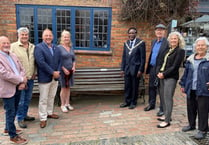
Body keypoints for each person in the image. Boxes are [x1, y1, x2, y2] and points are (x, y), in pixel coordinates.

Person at [179, 37, 209, 139]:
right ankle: (191, 125)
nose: (200, 47)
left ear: (207, 47)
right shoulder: (190, 59)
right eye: (198, 45)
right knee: (191, 108)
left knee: (202, 110)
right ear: (195, 47)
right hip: (191, 88)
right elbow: (186, 73)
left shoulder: (208, 59)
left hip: (204, 89)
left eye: (202, 45)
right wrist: (183, 84)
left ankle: (203, 129)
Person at [0, 36, 28, 144]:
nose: (6, 45)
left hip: (18, 87)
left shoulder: (12, 55)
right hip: (7, 89)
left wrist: (22, 82)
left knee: (14, 109)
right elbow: (4, 74)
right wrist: (21, 79)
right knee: (11, 111)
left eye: (8, 42)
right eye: (3, 43)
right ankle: (13, 136)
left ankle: (8, 128)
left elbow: (21, 68)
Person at [156, 31, 185, 128]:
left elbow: (175, 66)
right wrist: (158, 72)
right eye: (172, 39)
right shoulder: (167, 50)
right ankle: (166, 115)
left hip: (170, 77)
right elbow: (159, 61)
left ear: (178, 40)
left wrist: (164, 74)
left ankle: (167, 121)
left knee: (168, 98)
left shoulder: (180, 51)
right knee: (163, 97)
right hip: (161, 76)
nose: (173, 40)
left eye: (175, 39)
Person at [34, 28, 61, 128]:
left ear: (53, 37)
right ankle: (43, 118)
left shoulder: (56, 48)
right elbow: (41, 63)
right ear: (42, 37)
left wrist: (58, 72)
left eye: (50, 35)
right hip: (45, 78)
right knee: (43, 99)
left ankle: (49, 113)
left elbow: (60, 61)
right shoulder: (38, 48)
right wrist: (52, 72)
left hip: (55, 77)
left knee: (52, 96)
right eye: (46, 35)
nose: (48, 37)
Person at [11, 27, 36, 128]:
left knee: (27, 98)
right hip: (20, 80)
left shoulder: (32, 46)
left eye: (26, 35)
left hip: (30, 78)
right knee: (20, 100)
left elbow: (34, 62)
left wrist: (34, 72)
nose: (25, 36)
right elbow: (11, 64)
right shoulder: (13, 47)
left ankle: (25, 115)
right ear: (18, 35)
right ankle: (20, 118)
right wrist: (19, 78)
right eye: (22, 34)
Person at [144, 24, 169, 117]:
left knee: (161, 89)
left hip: (161, 68)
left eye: (161, 30)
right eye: (157, 30)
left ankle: (162, 108)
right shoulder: (154, 41)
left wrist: (163, 70)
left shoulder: (167, 43)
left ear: (164, 32)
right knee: (151, 87)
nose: (159, 32)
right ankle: (151, 104)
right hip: (152, 67)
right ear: (155, 32)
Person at [120, 27, 146, 109]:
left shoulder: (140, 43)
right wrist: (122, 69)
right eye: (130, 33)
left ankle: (133, 102)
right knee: (127, 86)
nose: (131, 34)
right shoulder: (126, 43)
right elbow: (124, 57)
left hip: (136, 69)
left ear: (136, 34)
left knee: (134, 86)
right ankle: (127, 101)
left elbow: (143, 58)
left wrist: (140, 70)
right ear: (128, 34)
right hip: (127, 69)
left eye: (133, 33)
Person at [58, 30, 76, 113]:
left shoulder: (71, 48)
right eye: (65, 37)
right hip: (63, 72)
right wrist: (63, 69)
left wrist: (74, 67)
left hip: (70, 71)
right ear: (62, 38)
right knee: (63, 88)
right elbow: (57, 61)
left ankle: (67, 103)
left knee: (68, 88)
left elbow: (73, 59)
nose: (66, 38)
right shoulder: (59, 48)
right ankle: (62, 104)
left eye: (68, 37)